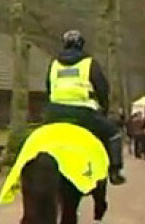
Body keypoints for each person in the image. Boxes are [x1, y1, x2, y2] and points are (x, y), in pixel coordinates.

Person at [44, 29, 126, 185]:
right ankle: (115, 171)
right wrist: (104, 108)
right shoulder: (89, 63)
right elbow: (102, 89)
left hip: (54, 114)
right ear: (81, 45)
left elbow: (48, 88)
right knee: (114, 134)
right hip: (83, 114)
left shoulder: (53, 64)